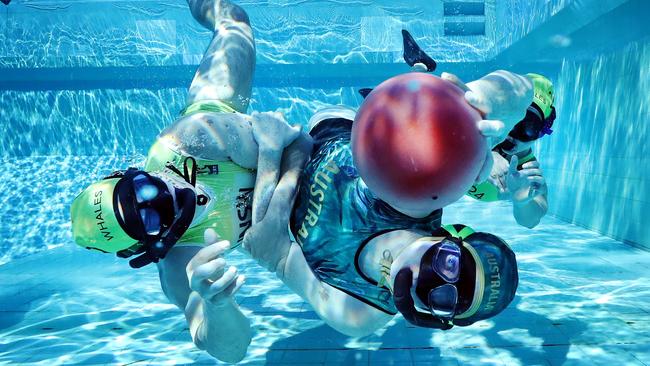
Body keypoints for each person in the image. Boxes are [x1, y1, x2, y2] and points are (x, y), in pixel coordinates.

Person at [70, 0, 311, 362]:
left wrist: (267, 218)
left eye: (141, 190)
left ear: (128, 174)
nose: (161, 196)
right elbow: (230, 351)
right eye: (148, 219)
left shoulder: (189, 136)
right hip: (237, 155)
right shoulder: (177, 269)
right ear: (142, 250)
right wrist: (216, 306)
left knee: (235, 21)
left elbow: (290, 144)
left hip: (215, 122)